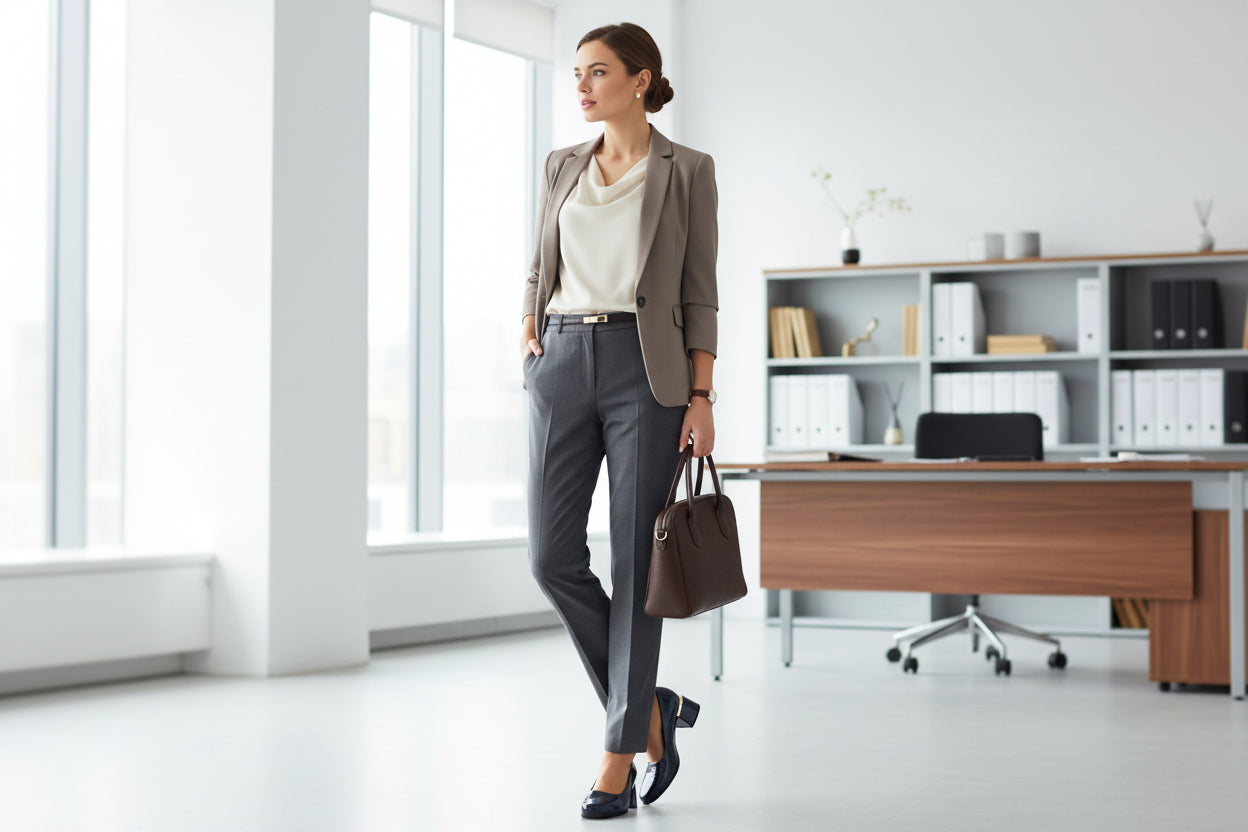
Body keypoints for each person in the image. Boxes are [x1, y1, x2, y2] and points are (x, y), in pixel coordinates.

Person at [520, 21, 719, 821]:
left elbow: (700, 289)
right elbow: (541, 260)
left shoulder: (688, 172)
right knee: (550, 557)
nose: (582, 86)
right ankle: (648, 714)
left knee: (638, 564)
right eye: (577, 73)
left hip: (650, 375)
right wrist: (528, 327)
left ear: (641, 79)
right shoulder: (562, 165)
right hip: (562, 362)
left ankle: (616, 760)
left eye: (597, 71)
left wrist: (701, 396)